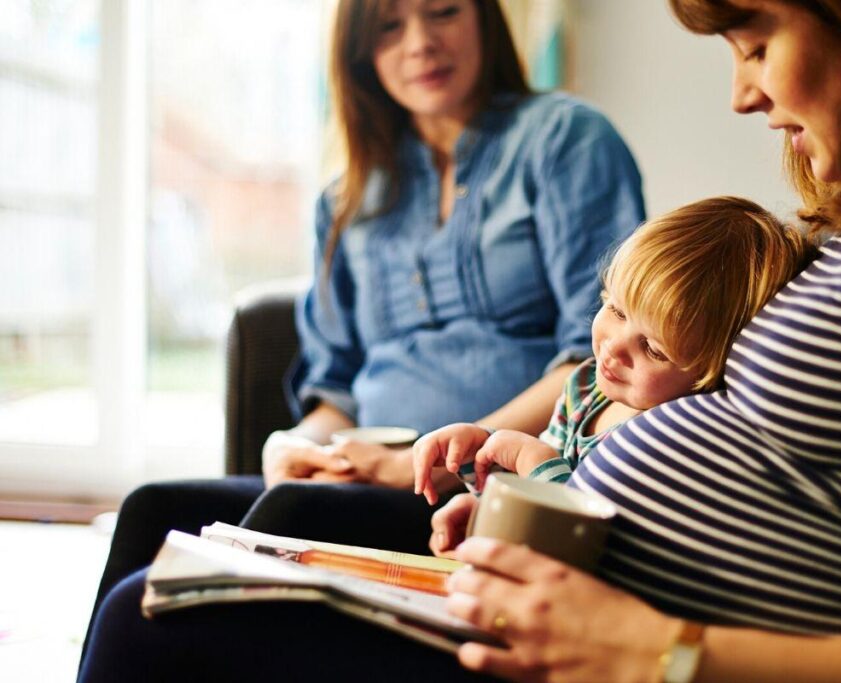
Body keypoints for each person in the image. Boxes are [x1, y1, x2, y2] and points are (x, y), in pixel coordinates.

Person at [79, 0, 841, 681]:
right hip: (550, 558)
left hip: (625, 637)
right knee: (195, 538)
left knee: (153, 618)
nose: (741, 94)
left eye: (756, 39)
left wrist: (654, 649)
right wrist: (517, 488)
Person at [80, 0, 643, 661]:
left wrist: (420, 461)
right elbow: (336, 389)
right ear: (359, 53)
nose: (420, 44)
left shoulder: (566, 140)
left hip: (481, 488)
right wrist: (293, 444)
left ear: (485, 19)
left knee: (282, 523)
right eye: (389, 28)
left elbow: (597, 360)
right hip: (367, 473)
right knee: (150, 508)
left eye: (443, 13)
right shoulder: (347, 194)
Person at [411, 197, 812, 505]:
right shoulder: (586, 387)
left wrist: (531, 460)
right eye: (616, 309)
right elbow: (534, 493)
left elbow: (580, 534)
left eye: (654, 350)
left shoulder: (667, 436)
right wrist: (479, 459)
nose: (614, 347)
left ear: (710, 371)